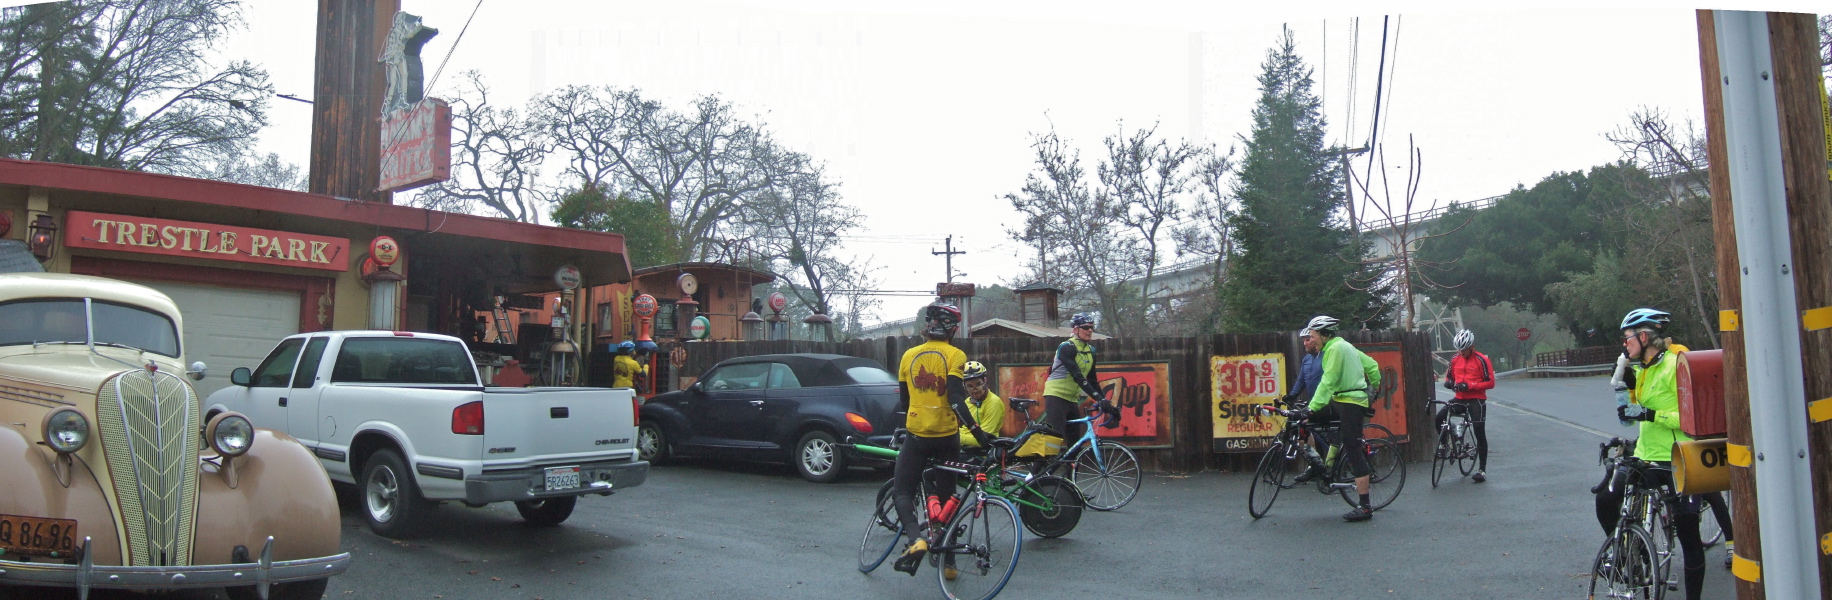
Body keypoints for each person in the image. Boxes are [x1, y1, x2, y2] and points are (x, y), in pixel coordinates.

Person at [1593, 308, 1726, 600]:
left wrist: (1650, 413)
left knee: (1689, 536)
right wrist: (1623, 385)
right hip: (1645, 455)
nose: (1624, 344)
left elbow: (1691, 415)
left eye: (1627, 338)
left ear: (1644, 336)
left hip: (1679, 459)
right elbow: (1628, 419)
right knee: (1606, 498)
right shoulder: (1641, 369)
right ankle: (1636, 556)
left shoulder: (1677, 364)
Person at [891, 302, 994, 575]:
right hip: (948, 435)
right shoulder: (955, 354)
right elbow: (955, 397)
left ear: (928, 326)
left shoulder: (908, 356)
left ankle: (916, 540)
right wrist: (978, 434)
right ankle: (949, 564)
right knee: (948, 496)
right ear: (954, 329)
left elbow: (904, 400)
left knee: (902, 491)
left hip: (917, 434)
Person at [1292, 315, 1382, 522]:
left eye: (1313, 335)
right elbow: (1373, 366)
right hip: (1339, 400)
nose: (1310, 339)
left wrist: (1312, 407)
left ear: (1324, 334)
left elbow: (1328, 381)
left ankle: (1365, 506)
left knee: (1353, 448)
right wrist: (1375, 388)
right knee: (1304, 420)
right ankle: (1319, 465)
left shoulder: (1334, 349)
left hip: (1351, 402)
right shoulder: (1345, 346)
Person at [1042, 313, 1120, 447]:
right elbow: (1077, 376)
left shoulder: (1091, 351)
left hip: (1072, 399)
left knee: (1074, 442)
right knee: (1053, 440)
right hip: (1056, 395)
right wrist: (1099, 398)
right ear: (1075, 329)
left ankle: (1070, 468)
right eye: (1085, 327)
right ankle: (1038, 468)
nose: (1089, 330)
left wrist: (1107, 404)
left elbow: (1092, 380)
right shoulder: (1066, 347)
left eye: (1091, 327)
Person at [1437, 329, 1494, 483]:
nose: (1461, 352)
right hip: (1460, 399)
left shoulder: (1481, 360)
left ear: (1471, 346)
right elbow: (1449, 377)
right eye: (1459, 349)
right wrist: (1449, 383)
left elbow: (1491, 382)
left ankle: (1482, 470)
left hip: (1476, 400)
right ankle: (1446, 444)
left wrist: (1470, 385)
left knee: (1479, 432)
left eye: (1464, 349)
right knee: (1439, 417)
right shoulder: (1455, 359)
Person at [956, 361, 1007, 449]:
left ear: (985, 381)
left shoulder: (994, 403)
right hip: (966, 448)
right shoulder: (968, 401)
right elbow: (965, 429)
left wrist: (955, 438)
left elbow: (983, 439)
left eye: (978, 384)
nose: (975, 390)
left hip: (983, 453)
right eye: (970, 386)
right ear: (964, 386)